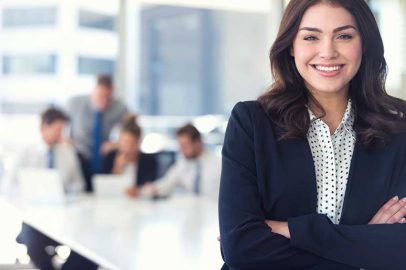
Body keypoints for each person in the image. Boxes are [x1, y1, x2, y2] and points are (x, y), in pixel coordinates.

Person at [219, 1, 406, 269]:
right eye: (310, 37)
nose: (327, 52)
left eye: (344, 36)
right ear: (291, 47)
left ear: (364, 44)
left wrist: (293, 231)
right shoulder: (251, 123)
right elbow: (241, 248)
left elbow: (400, 247)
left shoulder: (399, 129)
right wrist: (364, 249)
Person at [9, 108, 97, 270]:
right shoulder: (26, 153)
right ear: (43, 127)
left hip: (66, 219)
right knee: (32, 242)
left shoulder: (68, 152)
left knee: (90, 248)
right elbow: (10, 187)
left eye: (63, 130)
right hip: (35, 220)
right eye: (57, 130)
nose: (60, 135)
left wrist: (68, 195)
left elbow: (79, 187)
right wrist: (27, 195)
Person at [68, 74, 127, 192]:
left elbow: (131, 131)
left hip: (104, 157)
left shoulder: (120, 108)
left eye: (108, 98)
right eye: (101, 96)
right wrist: (66, 140)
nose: (104, 102)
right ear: (93, 92)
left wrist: (115, 144)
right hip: (80, 154)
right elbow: (61, 123)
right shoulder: (74, 103)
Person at [138, 123, 221, 199]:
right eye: (180, 145)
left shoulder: (219, 165)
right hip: (193, 211)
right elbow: (165, 184)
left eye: (185, 145)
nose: (182, 150)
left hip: (214, 211)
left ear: (198, 142)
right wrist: (145, 190)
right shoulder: (182, 165)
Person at [103, 114, 158, 196]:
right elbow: (104, 188)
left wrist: (138, 191)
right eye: (124, 143)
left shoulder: (148, 160)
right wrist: (117, 169)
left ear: (138, 143)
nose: (127, 148)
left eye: (131, 144)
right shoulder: (111, 157)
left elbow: (151, 186)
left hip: (140, 203)